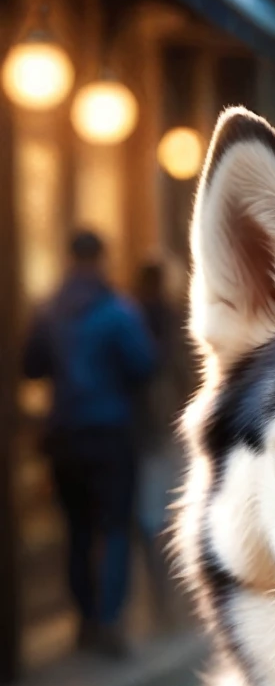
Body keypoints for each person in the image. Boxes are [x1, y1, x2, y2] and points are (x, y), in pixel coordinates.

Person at [23, 229, 157, 655]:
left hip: (64, 436)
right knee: (114, 528)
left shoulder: (48, 310)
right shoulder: (118, 311)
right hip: (110, 434)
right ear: (102, 259)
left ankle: (83, 620)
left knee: (77, 530)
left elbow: (30, 366)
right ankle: (109, 622)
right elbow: (144, 364)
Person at [133, 259, 193, 624]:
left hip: (141, 433)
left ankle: (162, 600)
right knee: (170, 510)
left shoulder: (131, 315)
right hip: (168, 430)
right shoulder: (173, 321)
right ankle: (170, 604)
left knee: (150, 515)